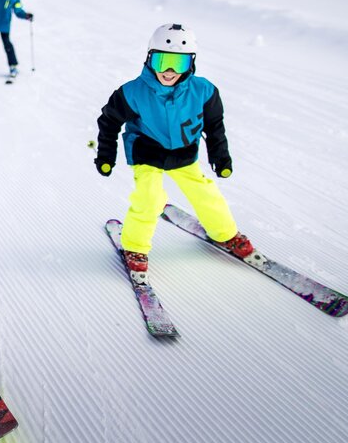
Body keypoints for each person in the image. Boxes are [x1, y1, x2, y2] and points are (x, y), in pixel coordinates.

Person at [93, 23, 255, 284]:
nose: (168, 71)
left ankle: (225, 234)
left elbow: (215, 127)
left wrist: (220, 157)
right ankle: (135, 246)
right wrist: (105, 156)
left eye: (177, 64)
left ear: (190, 63)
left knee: (205, 193)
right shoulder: (132, 92)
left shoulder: (204, 91)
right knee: (150, 198)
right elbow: (109, 122)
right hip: (147, 151)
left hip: (184, 153)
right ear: (149, 58)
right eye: (162, 60)